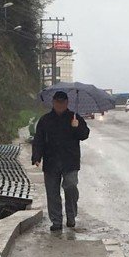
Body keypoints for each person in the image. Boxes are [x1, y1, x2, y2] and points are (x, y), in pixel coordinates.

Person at [32, 91, 90, 231]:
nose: (60, 105)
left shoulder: (74, 118)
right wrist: (36, 157)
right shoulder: (45, 120)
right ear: (53, 102)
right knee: (52, 193)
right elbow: (38, 139)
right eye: (57, 102)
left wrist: (77, 127)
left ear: (67, 103)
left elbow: (84, 135)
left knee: (70, 186)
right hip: (51, 161)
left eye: (62, 102)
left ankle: (71, 215)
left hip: (70, 161)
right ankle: (56, 221)